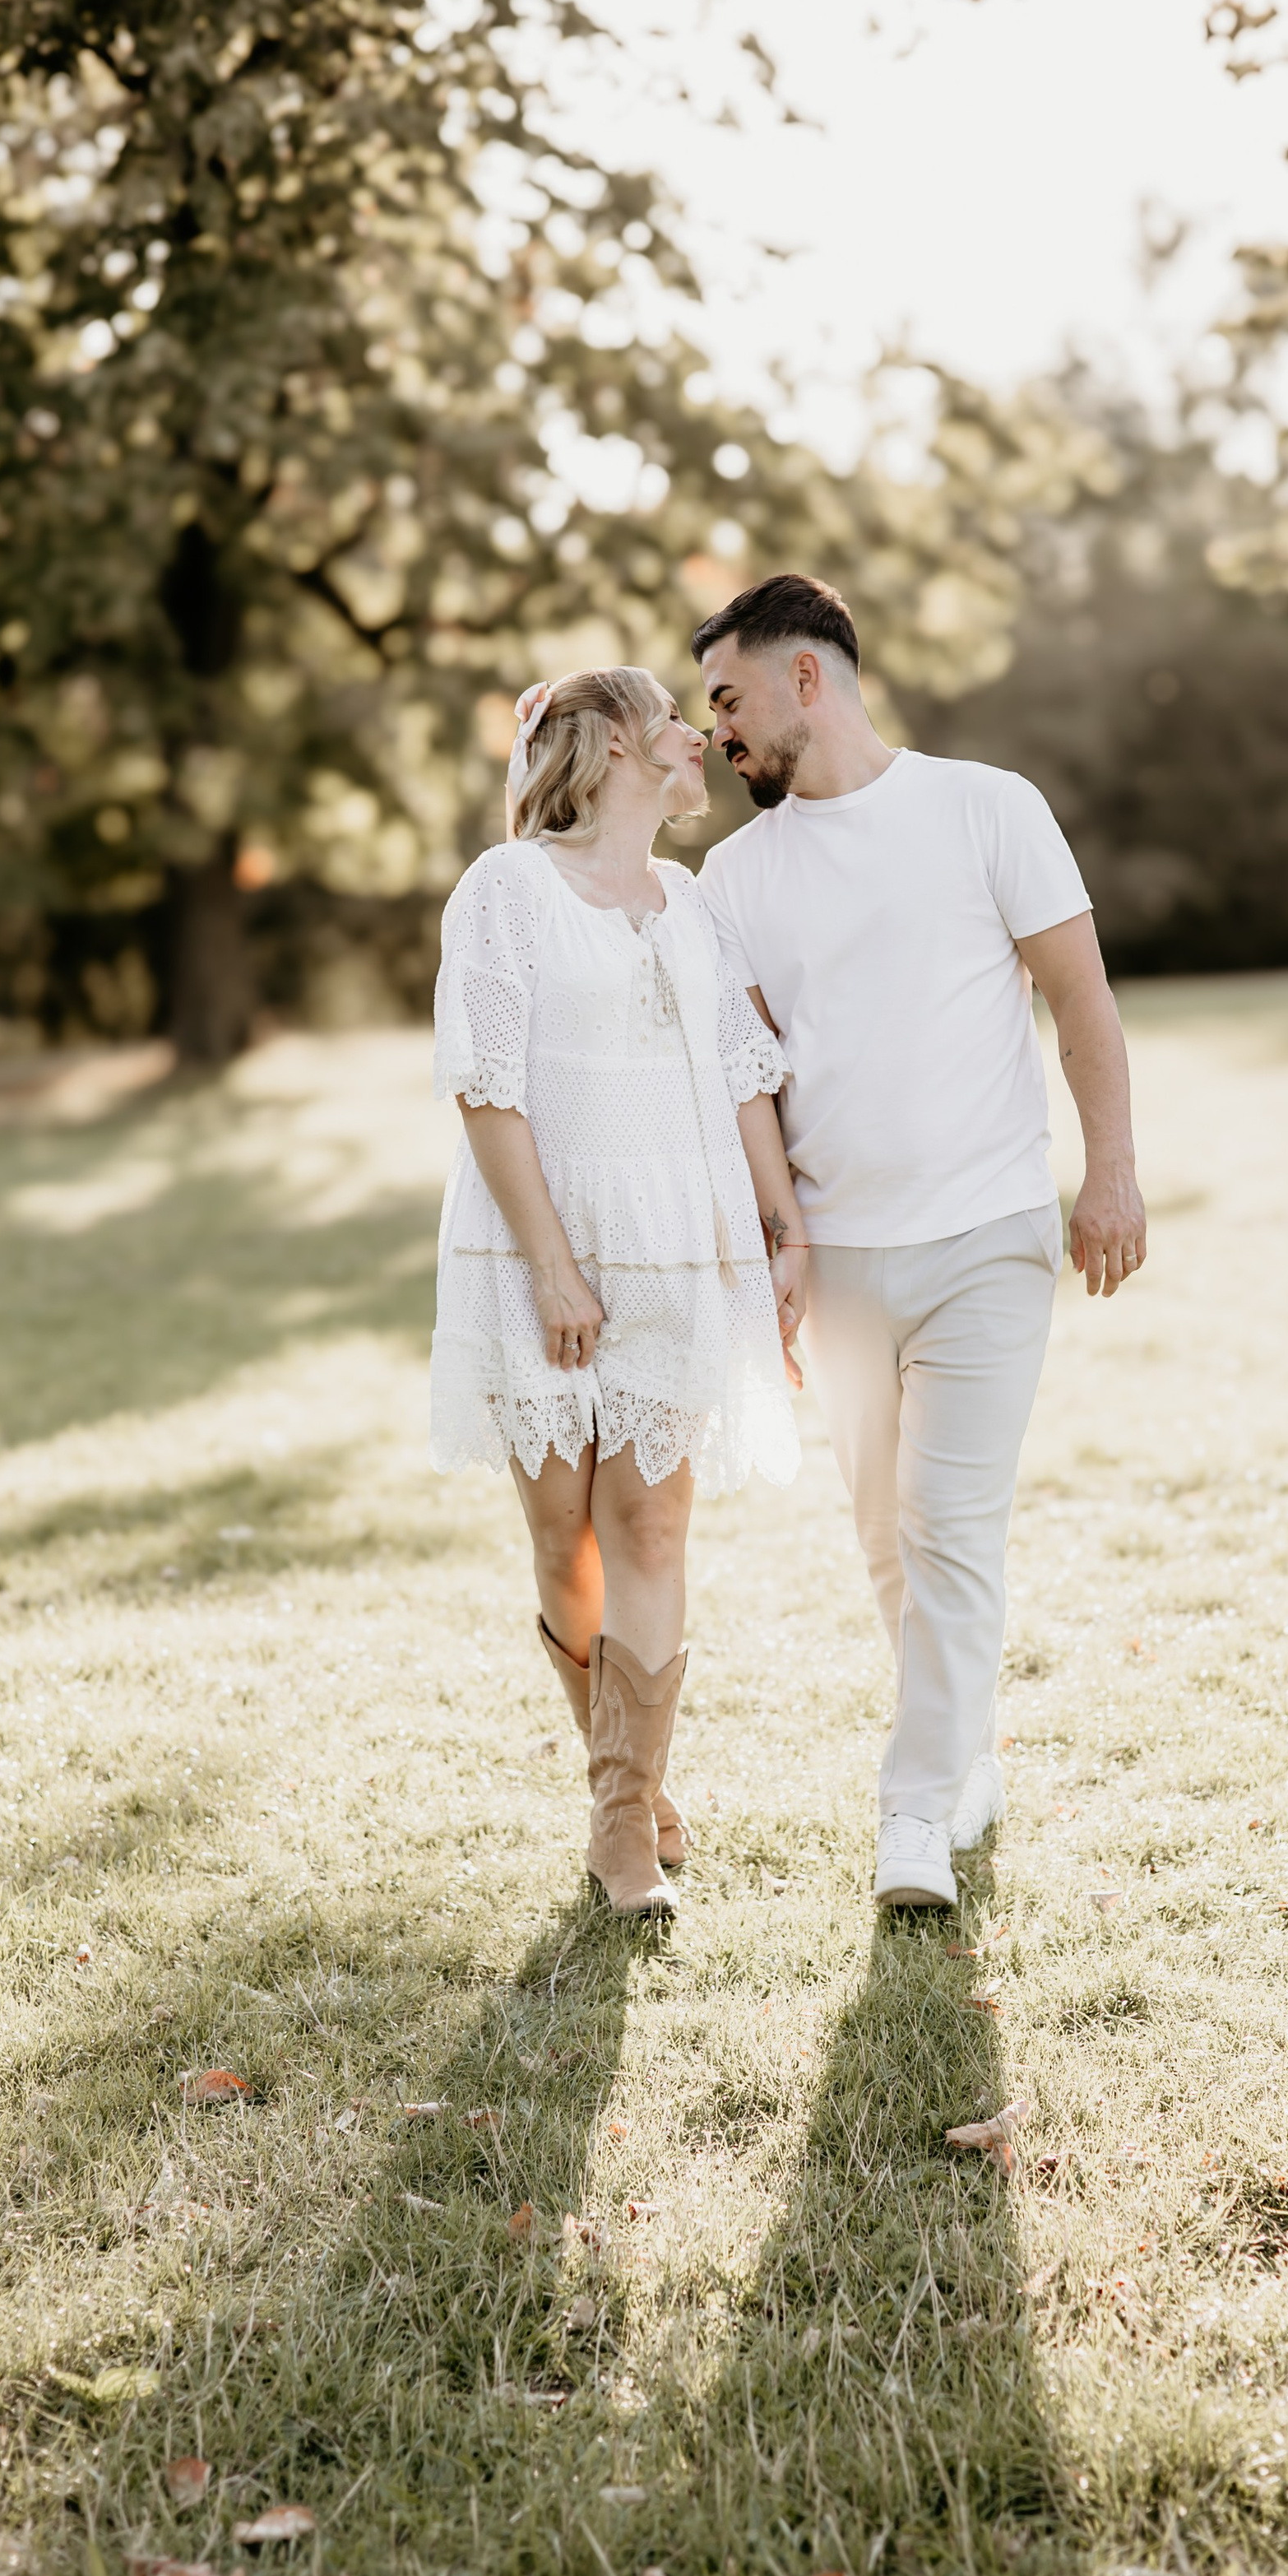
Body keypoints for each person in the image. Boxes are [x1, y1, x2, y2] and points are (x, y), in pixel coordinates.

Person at [693, 573, 1147, 1913]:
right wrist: (779, 1244)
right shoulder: (733, 877)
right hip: (839, 1256)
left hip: (988, 1235)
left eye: (729, 698)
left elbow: (1081, 999)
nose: (717, 730)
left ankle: (910, 1817)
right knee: (886, 1537)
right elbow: (750, 1081)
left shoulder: (987, 808)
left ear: (806, 681)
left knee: (948, 1528)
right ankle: (964, 1757)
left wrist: (1108, 1173)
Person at [429, 665, 807, 1913]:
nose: (699, 741)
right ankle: (632, 1778)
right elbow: (487, 1084)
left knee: (650, 1523)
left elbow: (747, 1072)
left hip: (677, 1247)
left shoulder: (693, 905)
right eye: (674, 726)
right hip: (541, 1244)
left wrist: (779, 1229)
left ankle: (620, 1819)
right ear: (605, 748)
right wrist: (553, 1266)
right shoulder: (508, 891)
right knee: (563, 1534)